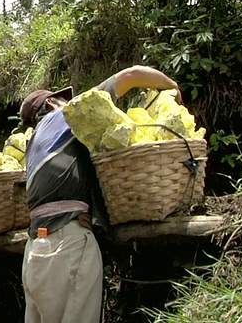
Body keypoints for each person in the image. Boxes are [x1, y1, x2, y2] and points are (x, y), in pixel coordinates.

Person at [20, 65, 182, 323]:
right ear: (52, 104)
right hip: (66, 246)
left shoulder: (32, 145)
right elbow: (131, 76)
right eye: (64, 99)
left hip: (34, 253)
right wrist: (172, 86)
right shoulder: (69, 116)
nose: (71, 102)